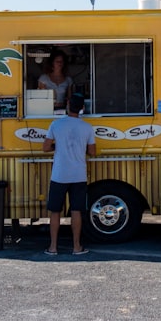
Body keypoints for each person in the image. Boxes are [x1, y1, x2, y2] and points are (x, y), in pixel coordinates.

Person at [42, 93, 96, 255]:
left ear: (67, 105)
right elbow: (92, 152)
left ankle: (52, 247)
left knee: (55, 211)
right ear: (82, 108)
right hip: (78, 174)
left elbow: (45, 148)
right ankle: (77, 247)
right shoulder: (87, 127)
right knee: (76, 210)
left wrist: (56, 148)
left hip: (59, 174)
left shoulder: (56, 125)